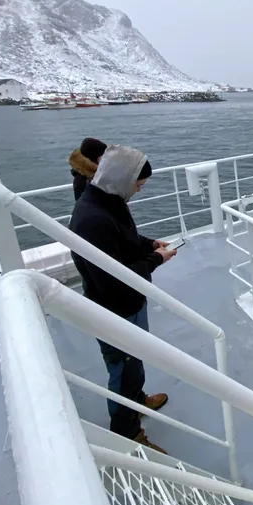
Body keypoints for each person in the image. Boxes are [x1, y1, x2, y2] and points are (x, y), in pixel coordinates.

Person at [69, 144, 176, 453]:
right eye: (138, 184)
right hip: (114, 308)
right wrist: (157, 260)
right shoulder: (93, 219)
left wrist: (150, 244)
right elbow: (113, 280)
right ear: (121, 178)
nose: (140, 190)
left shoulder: (109, 200)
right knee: (122, 367)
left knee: (135, 358)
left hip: (131, 302)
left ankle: (137, 400)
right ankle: (126, 431)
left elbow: (125, 240)